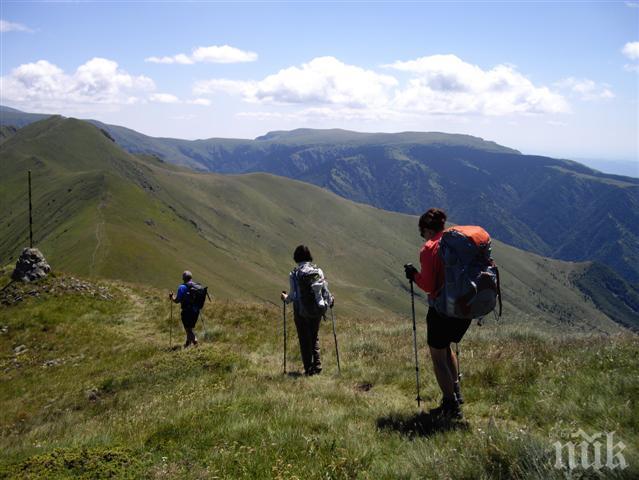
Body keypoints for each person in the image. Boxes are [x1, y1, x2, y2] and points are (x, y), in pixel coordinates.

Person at [404, 208, 471, 419]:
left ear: (426, 229)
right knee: (447, 348)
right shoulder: (456, 242)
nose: (422, 236)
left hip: (442, 311)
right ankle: (456, 393)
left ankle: (450, 405)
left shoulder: (430, 248)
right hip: (464, 308)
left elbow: (430, 286)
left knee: (438, 357)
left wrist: (414, 275)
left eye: (421, 232)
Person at [281, 245, 334, 376]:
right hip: (317, 309)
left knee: (304, 339)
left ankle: (309, 369)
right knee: (314, 336)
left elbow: (293, 296)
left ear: (296, 257)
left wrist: (284, 298)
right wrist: (330, 301)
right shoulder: (318, 271)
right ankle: (317, 365)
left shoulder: (294, 274)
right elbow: (324, 290)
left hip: (300, 311)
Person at [169, 270, 201, 348]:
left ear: (183, 278)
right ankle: (187, 343)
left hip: (187, 311)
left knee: (188, 329)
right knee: (190, 327)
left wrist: (172, 297)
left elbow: (177, 300)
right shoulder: (196, 286)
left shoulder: (182, 287)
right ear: (191, 277)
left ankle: (195, 342)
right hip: (196, 311)